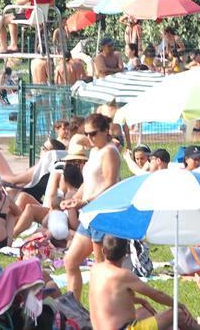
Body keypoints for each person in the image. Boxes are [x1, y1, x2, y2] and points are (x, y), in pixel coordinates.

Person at [61, 113, 120, 298]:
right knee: (70, 261)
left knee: (100, 268)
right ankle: (73, 307)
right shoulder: (94, 151)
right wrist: (75, 198)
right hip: (89, 215)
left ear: (105, 131)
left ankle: (103, 309)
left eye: (93, 133)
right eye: (86, 134)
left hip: (102, 214)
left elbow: (110, 184)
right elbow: (89, 182)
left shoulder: (110, 151)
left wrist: (86, 201)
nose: (89, 138)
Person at [90, 235, 198, 330]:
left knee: (145, 312)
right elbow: (157, 295)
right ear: (126, 252)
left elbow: (109, 298)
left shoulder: (95, 270)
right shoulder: (123, 275)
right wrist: (179, 305)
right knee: (178, 314)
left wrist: (140, 300)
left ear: (103, 251)